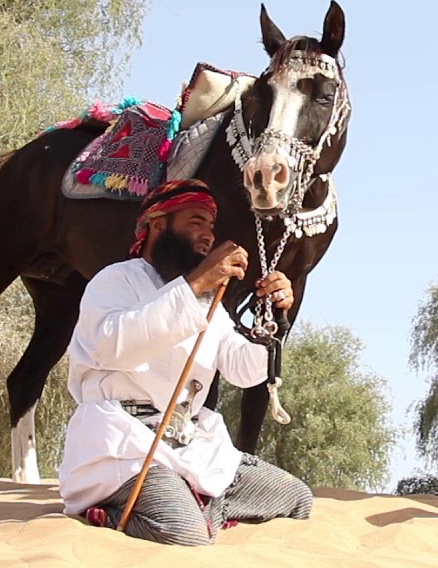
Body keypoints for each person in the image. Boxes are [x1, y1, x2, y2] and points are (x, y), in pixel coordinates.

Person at [57, 179, 313, 545]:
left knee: (296, 498)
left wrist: (274, 321)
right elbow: (115, 347)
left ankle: (199, 505)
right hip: (127, 447)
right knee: (185, 534)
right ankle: (121, 512)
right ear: (158, 225)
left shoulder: (208, 304)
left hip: (190, 444)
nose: (208, 235)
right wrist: (194, 284)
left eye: (211, 225)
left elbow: (244, 371)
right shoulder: (115, 280)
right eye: (196, 222)